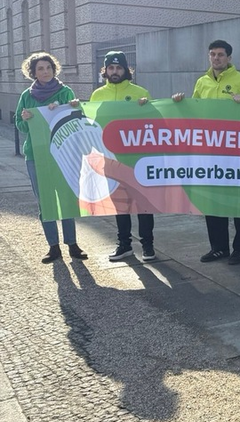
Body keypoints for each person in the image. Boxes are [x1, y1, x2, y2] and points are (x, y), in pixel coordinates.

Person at [172, 40, 240, 265]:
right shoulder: (202, 82)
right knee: (212, 200)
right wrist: (180, 103)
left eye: (220, 54)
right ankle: (219, 247)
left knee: (239, 202)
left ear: (229, 58)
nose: (216, 58)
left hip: (237, 152)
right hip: (210, 153)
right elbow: (194, 112)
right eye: (212, 54)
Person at [15, 51, 88, 263]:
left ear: (54, 69)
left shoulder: (65, 92)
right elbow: (19, 125)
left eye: (48, 67)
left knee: (66, 198)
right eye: (40, 68)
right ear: (33, 72)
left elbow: (78, 118)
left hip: (63, 153)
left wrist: (74, 107)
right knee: (45, 201)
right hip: (36, 155)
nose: (45, 72)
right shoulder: (26, 96)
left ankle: (72, 244)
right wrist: (25, 119)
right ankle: (53, 247)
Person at [89, 51, 156, 262]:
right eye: (111, 68)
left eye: (119, 68)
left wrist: (147, 109)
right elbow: (91, 124)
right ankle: (124, 245)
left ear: (126, 70)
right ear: (105, 70)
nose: (115, 71)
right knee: (120, 204)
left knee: (144, 204)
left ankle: (148, 246)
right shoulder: (97, 95)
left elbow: (154, 123)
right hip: (112, 158)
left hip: (137, 159)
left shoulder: (140, 93)